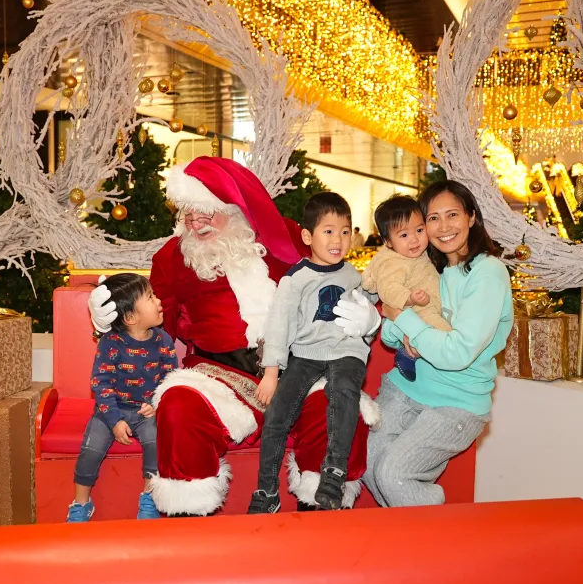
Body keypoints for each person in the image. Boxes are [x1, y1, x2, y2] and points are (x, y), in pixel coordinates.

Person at [88, 157, 380, 516]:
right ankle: (190, 522)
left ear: (231, 208)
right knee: (179, 406)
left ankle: (320, 522)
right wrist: (111, 320)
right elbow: (149, 318)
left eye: (205, 214)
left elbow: (339, 271)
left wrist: (367, 316)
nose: (195, 225)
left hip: (300, 364)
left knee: (337, 405)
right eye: (188, 215)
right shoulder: (172, 259)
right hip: (219, 374)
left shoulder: (284, 236)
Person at [363, 180, 513, 507]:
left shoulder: (488, 273)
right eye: (433, 218)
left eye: (452, 215)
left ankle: (439, 539)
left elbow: (457, 352)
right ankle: (409, 543)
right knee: (365, 460)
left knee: (394, 473)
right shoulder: (437, 272)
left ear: (471, 217)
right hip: (407, 388)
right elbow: (392, 331)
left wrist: (405, 322)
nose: (443, 227)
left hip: (455, 401)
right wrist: (405, 329)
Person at [250, 193, 372, 513]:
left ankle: (333, 472)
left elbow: (368, 318)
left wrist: (371, 323)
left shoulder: (354, 276)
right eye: (328, 231)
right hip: (305, 353)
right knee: (277, 414)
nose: (338, 240)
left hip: (346, 351)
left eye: (345, 231)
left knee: (343, 392)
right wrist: (272, 373)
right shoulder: (295, 279)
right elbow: (280, 326)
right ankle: (266, 491)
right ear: (308, 236)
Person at [68, 273, 178, 522]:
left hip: (145, 411)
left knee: (156, 441)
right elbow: (101, 384)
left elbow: (170, 378)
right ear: (130, 317)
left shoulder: (163, 340)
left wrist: (155, 403)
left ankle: (149, 499)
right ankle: (81, 504)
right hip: (111, 409)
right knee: (90, 448)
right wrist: (115, 420)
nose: (158, 301)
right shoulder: (111, 343)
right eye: (150, 297)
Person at [362, 195, 451, 382]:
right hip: (417, 310)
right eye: (404, 235)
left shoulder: (417, 254)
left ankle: (412, 355)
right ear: (388, 241)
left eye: (419, 230)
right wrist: (410, 298)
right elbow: (388, 289)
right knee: (445, 334)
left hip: (426, 306)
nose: (414, 240)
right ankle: (407, 356)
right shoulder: (393, 263)